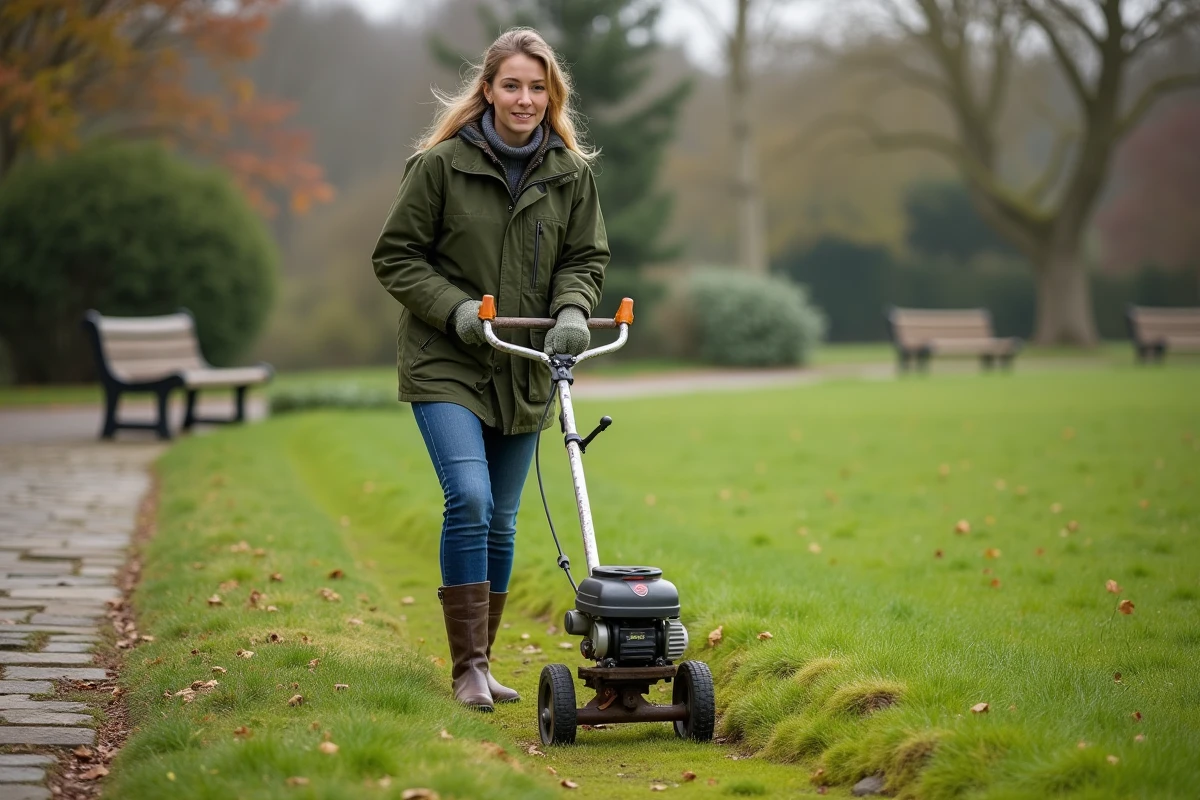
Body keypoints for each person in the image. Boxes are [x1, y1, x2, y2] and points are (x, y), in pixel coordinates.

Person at [371, 28, 608, 712]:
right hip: (447, 356)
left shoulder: (571, 174)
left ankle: (483, 663)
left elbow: (585, 259)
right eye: (512, 85)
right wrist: (457, 311)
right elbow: (396, 257)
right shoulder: (440, 166)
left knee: (503, 520)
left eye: (537, 87)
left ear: (551, 95)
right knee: (469, 499)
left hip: (525, 364)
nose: (524, 98)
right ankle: (467, 668)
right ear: (488, 90)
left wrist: (570, 310)